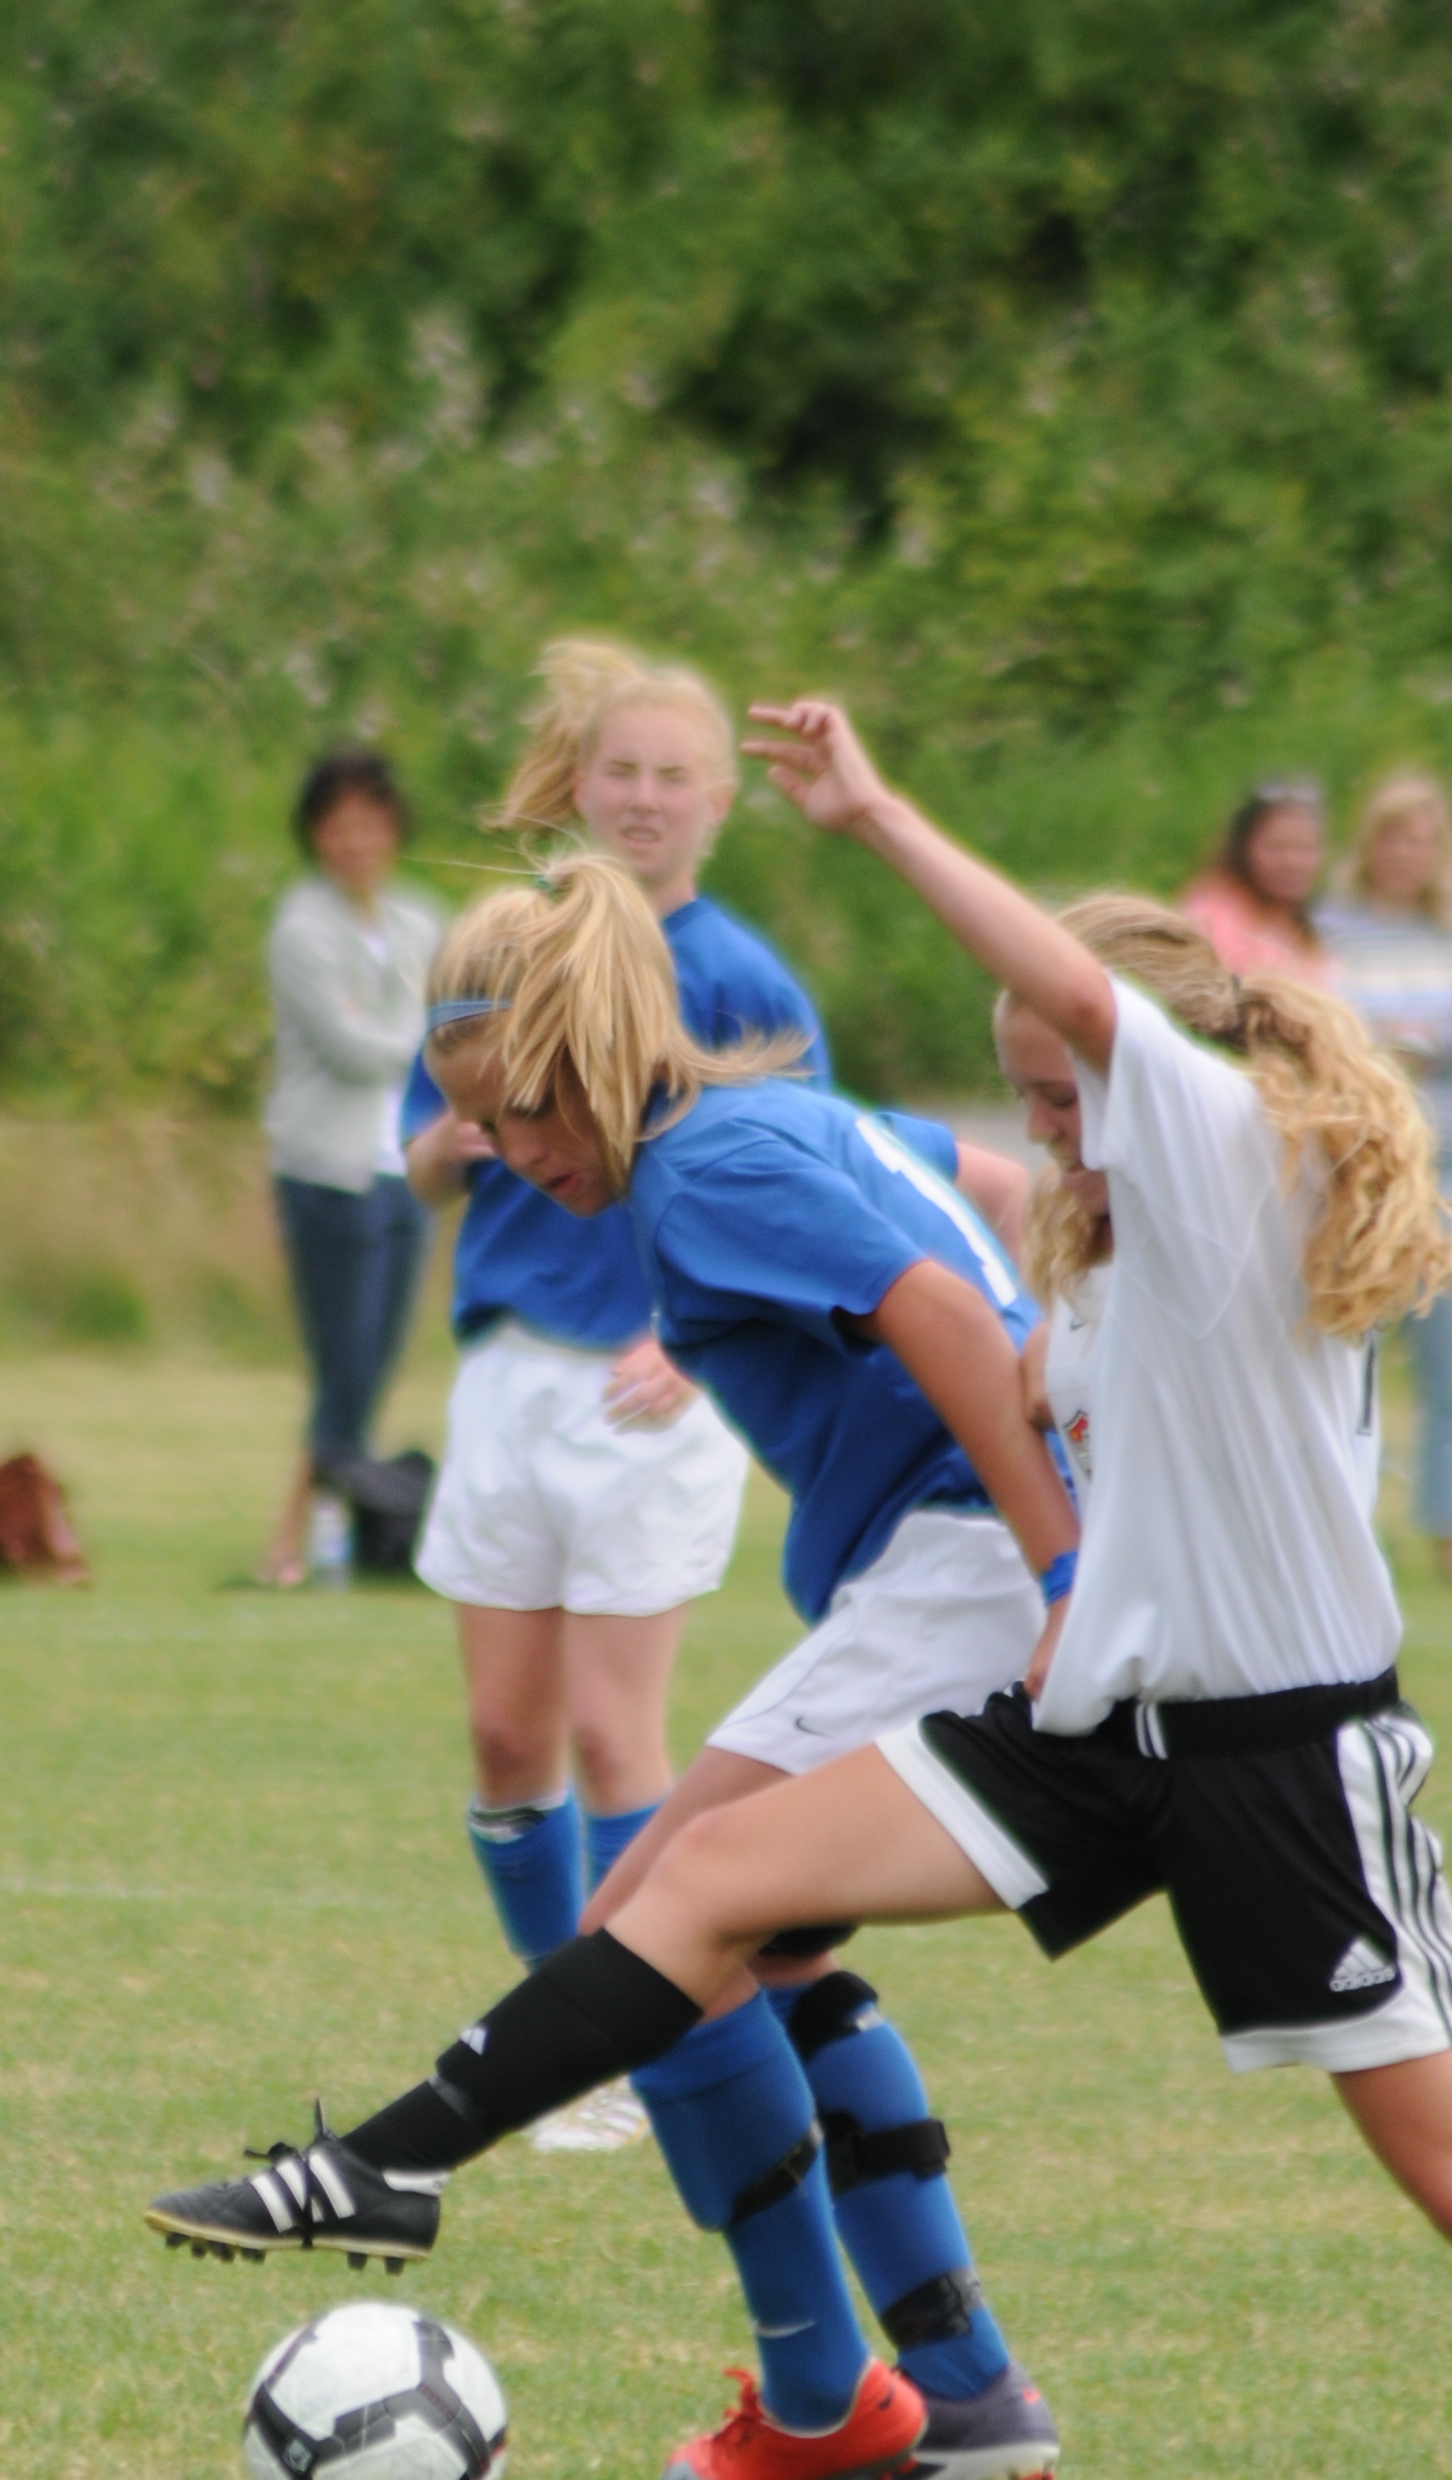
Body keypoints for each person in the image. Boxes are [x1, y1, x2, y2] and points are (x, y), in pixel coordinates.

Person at [146, 701, 1452, 2480]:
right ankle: (393, 2163)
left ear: (1149, 1081)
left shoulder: (1223, 1164)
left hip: (1280, 1763)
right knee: (704, 1884)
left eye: (1055, 1097)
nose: (1041, 1130)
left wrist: (874, 815)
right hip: (1093, 1732)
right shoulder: (1108, 1256)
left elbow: (1074, 1016)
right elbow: (981, 1268)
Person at [164, 857, 1077, 2480]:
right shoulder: (778, 1117)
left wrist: (1066, 1572)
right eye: (480, 1123)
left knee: (652, 1926)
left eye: (522, 1111)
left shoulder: (702, 1167)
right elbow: (987, 1194)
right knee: (755, 1945)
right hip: (960, 1555)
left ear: (597, 1046)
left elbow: (947, 1311)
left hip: (968, 1559)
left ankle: (801, 2386)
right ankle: (955, 2384)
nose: (511, 1155)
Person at [400, 642, 1030, 2165]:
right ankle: (582, 2033)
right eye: (617, 770)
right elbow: (421, 1160)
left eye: (672, 773)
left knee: (653, 1825)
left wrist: (1065, 1547)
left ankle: (581, 2052)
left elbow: (870, 1228)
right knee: (522, 1747)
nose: (641, 797)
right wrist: (450, 1146)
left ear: (720, 799)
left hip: (731, 1433)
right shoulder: (505, 960)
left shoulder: (720, 1064)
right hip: (517, 1374)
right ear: (578, 784)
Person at [1318, 776, 1452, 1588]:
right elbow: (1329, 1027)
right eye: (1395, 837)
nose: (1409, 854)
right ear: (1370, 844)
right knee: (1349, 1358)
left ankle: (1451, 1533)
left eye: (1424, 840)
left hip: (1451, 1165)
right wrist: (1404, 1035)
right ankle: (1349, 1529)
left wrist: (1416, 1037)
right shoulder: (1332, 929)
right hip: (1360, 1168)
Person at [260, 749, 442, 1585]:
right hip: (328, 1171)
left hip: (405, 1167)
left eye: (370, 823)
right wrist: (430, 1037)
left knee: (373, 1365)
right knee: (343, 1365)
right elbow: (350, 1046)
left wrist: (430, 1034)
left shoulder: (419, 922)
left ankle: (328, 1533)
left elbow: (453, 1017)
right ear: (314, 835)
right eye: (339, 826)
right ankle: (299, 1542)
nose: (356, 842)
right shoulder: (301, 928)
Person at [1182, 780, 1335, 989]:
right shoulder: (1210, 918)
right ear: (1244, 847)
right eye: (1276, 847)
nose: (1291, 862)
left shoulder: (1314, 924)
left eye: (1304, 848)